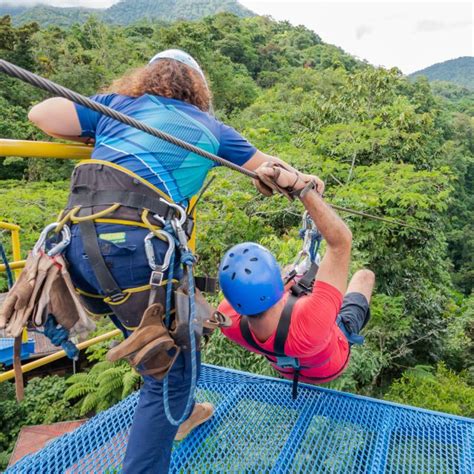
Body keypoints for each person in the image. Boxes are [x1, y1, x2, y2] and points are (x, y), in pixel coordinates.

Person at [28, 50, 324, 473]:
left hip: (75, 247)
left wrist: (97, 127)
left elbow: (42, 112)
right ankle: (166, 430)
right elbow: (274, 170)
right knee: (170, 375)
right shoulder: (212, 129)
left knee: (163, 342)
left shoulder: (119, 107)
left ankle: (182, 415)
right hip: (137, 252)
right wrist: (308, 184)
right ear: (198, 89)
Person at [217, 162, 375, 391]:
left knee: (307, 278)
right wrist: (301, 189)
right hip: (331, 362)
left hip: (286, 366)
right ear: (277, 284)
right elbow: (341, 242)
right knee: (364, 276)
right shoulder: (312, 320)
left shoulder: (227, 319)